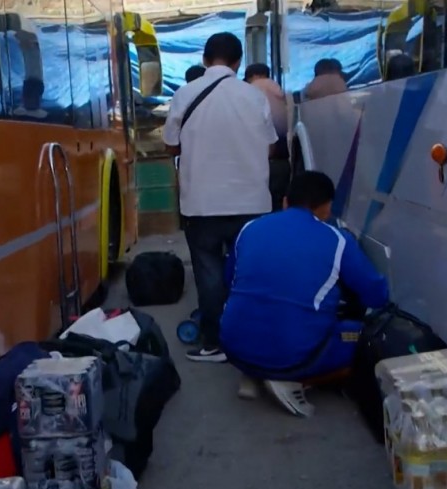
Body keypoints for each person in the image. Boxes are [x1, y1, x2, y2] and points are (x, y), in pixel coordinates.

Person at [221, 171, 389, 416]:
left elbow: (230, 281)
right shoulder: (338, 240)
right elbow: (377, 296)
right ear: (326, 208)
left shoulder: (250, 228)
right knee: (366, 339)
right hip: (293, 355)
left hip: (233, 347)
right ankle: (292, 379)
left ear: (285, 201)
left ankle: (254, 372)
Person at [163, 32, 278, 363]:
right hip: (252, 203)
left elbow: (170, 145)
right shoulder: (254, 97)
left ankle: (214, 345)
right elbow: (270, 147)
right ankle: (255, 341)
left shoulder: (185, 94)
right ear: (238, 62)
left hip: (202, 205)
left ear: (204, 60)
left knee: (210, 275)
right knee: (250, 272)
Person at [244, 63, 290, 212]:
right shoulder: (278, 88)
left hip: (263, 148)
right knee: (278, 192)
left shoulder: (252, 89)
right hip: (282, 149)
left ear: (253, 76)